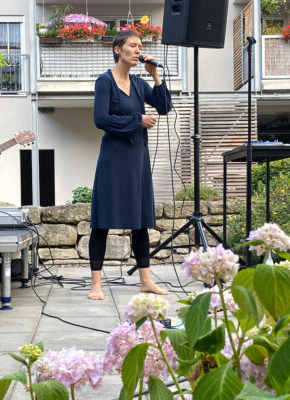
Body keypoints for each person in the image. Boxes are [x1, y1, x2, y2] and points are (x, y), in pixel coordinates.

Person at [88, 30, 173, 300]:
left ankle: (145, 280)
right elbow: (101, 119)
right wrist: (137, 120)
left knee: (140, 221)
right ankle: (96, 285)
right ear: (117, 49)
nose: (138, 50)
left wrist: (155, 76)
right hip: (113, 159)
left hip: (137, 159)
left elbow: (164, 107)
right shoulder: (105, 81)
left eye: (140, 46)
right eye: (133, 46)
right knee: (102, 221)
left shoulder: (138, 83)